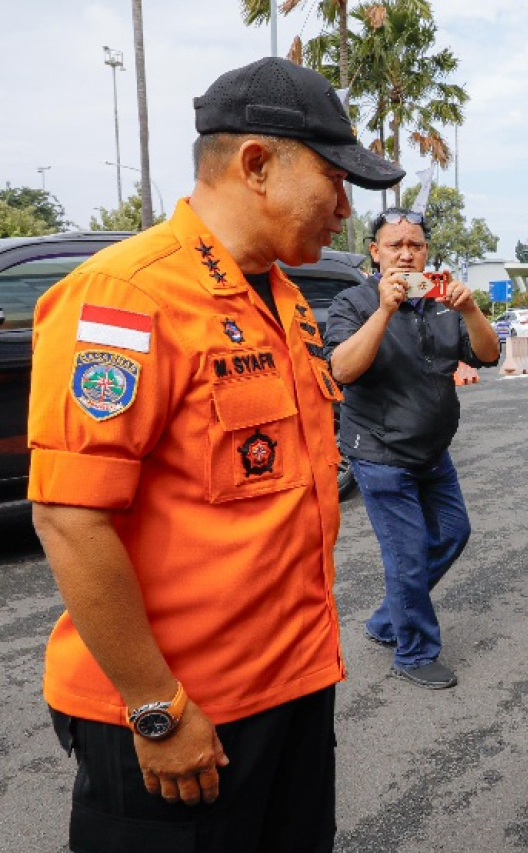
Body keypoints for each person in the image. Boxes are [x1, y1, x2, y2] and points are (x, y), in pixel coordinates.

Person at [27, 57, 403, 851]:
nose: (345, 208)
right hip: (178, 711)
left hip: (293, 686)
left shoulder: (286, 296)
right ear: (257, 166)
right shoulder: (128, 296)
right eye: (334, 181)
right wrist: (155, 703)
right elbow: (69, 516)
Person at [324, 207, 500, 690]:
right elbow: (343, 369)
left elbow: (487, 355)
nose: (406, 253)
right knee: (407, 555)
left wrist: (470, 309)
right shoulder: (353, 302)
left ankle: (388, 619)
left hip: (432, 451)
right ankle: (414, 651)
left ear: (426, 251)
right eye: (395, 245)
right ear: (375, 251)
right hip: (379, 453)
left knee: (452, 532)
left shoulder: (442, 301)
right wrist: (383, 309)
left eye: (415, 245)